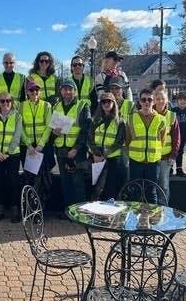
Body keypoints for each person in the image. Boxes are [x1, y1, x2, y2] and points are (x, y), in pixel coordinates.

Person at [51, 79, 91, 212]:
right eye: (64, 89)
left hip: (76, 151)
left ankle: (80, 212)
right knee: (65, 182)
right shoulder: (56, 106)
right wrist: (54, 132)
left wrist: (76, 148)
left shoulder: (82, 106)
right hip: (61, 150)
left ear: (75, 91)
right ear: (61, 91)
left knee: (78, 183)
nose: (67, 91)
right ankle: (68, 211)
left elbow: (86, 130)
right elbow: (52, 127)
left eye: (70, 89)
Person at [124, 88, 166, 203]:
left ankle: (151, 219)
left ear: (153, 102)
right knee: (135, 191)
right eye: (143, 100)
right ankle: (134, 218)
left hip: (153, 161)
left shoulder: (161, 120)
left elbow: (162, 140)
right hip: (135, 160)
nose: (146, 102)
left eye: (149, 99)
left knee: (151, 191)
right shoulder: (131, 118)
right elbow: (127, 139)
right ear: (140, 101)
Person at [0, 91, 23, 222]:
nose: (5, 103)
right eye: (2, 101)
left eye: (8, 100)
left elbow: (17, 136)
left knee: (13, 182)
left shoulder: (17, 116)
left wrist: (8, 153)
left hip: (12, 155)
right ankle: (0, 210)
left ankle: (15, 210)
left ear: (12, 102)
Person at [19, 79, 54, 202]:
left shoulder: (46, 105)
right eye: (31, 90)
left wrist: (40, 145)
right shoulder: (21, 106)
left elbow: (49, 126)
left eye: (37, 90)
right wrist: (28, 144)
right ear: (27, 92)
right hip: (27, 148)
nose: (34, 92)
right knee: (28, 177)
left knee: (41, 178)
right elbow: (20, 127)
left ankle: (40, 206)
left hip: (41, 148)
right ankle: (29, 205)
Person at [88, 92, 126, 200]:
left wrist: (104, 154)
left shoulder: (120, 122)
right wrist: (96, 153)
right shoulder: (94, 120)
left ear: (114, 103)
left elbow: (119, 142)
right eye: (103, 102)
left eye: (109, 101)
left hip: (112, 160)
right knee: (96, 188)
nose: (106, 104)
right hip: (96, 159)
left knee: (110, 189)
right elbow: (90, 139)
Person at [154, 90, 180, 203]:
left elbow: (176, 137)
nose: (160, 101)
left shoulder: (171, 116)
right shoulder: (149, 114)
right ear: (154, 100)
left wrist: (173, 155)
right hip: (151, 157)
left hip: (166, 157)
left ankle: (164, 208)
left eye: (163, 99)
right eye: (158, 99)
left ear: (167, 100)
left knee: (164, 184)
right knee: (152, 184)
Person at [171, 90, 186, 176]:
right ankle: (170, 169)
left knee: (180, 152)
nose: (182, 101)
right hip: (173, 136)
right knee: (172, 152)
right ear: (177, 100)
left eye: (185, 99)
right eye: (180, 99)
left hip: (183, 136)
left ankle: (179, 169)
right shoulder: (173, 111)